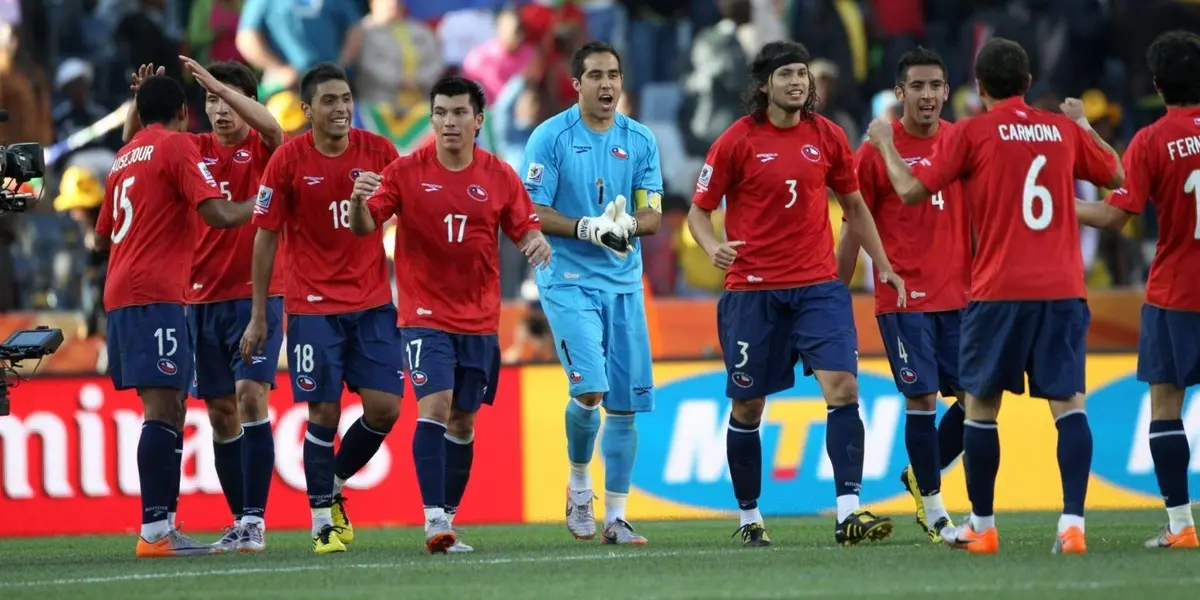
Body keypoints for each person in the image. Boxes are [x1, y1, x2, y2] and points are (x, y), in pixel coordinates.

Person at [865, 37, 1123, 555]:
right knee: (1069, 407)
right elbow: (1117, 177)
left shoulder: (973, 133)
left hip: (998, 289)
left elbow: (913, 190)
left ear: (977, 88)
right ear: (1029, 83)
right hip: (1063, 288)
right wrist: (1083, 125)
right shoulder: (1059, 130)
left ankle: (982, 525)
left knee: (980, 407)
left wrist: (885, 145)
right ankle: (1072, 524)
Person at [688, 40, 903, 548]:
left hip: (817, 288)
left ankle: (848, 512)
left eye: (803, 74)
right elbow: (700, 209)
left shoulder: (827, 137)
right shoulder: (735, 142)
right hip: (752, 292)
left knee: (844, 389)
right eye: (787, 74)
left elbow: (853, 205)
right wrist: (713, 245)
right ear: (764, 85)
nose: (798, 82)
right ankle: (748, 517)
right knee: (748, 408)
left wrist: (884, 263)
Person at [349, 76, 551, 553]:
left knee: (463, 421)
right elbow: (364, 227)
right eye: (440, 112)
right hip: (423, 314)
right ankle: (434, 521)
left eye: (459, 112)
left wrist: (535, 241)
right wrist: (358, 200)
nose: (448, 121)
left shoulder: (499, 174)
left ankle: (449, 519)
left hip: (480, 319)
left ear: (478, 121)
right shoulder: (404, 171)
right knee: (435, 407)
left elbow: (525, 227)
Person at [239, 62, 404, 555]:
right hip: (312, 306)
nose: (342, 108)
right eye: (330, 101)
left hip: (373, 302)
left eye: (347, 98)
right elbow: (265, 237)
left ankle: (331, 483)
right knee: (324, 410)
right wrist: (259, 313)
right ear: (308, 110)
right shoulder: (287, 161)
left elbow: (407, 212)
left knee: (385, 408)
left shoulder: (379, 151)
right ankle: (320, 524)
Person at [98, 74, 254, 557]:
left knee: (169, 407)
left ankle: (162, 526)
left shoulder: (123, 157)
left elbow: (104, 232)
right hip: (156, 293)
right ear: (186, 113)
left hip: (123, 293)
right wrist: (267, 204)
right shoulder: (178, 146)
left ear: (140, 114)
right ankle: (154, 532)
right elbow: (220, 215)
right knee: (163, 409)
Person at [519, 40, 663, 545]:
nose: (607, 85)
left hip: (623, 284)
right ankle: (580, 483)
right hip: (569, 280)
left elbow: (653, 212)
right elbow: (530, 210)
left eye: (614, 75)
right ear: (576, 84)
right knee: (591, 391)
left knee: (623, 406)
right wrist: (587, 228)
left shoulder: (641, 139)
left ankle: (618, 517)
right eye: (596, 76)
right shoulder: (550, 137)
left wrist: (626, 227)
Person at [835, 46, 967, 544]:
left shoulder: (960, 142)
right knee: (921, 397)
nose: (927, 95)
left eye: (935, 85)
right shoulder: (872, 153)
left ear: (947, 91)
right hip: (904, 294)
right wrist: (834, 288)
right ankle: (933, 511)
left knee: (979, 396)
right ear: (899, 92)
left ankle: (921, 472)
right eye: (917, 86)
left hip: (960, 294)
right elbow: (853, 221)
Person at [1075, 30, 1200, 549]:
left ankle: (1180, 527)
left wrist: (1059, 208)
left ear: (1155, 84)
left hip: (1176, 294)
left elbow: (1112, 216)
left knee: (1166, 404)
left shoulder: (1151, 140)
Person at [180, 57, 285, 553]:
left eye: (228, 99)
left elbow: (274, 127)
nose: (220, 110)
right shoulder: (194, 149)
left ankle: (255, 520)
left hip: (256, 293)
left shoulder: (263, 150)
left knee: (249, 396)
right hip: (200, 297)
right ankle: (240, 520)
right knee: (221, 412)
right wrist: (140, 110)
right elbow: (142, 148)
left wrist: (222, 84)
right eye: (211, 100)